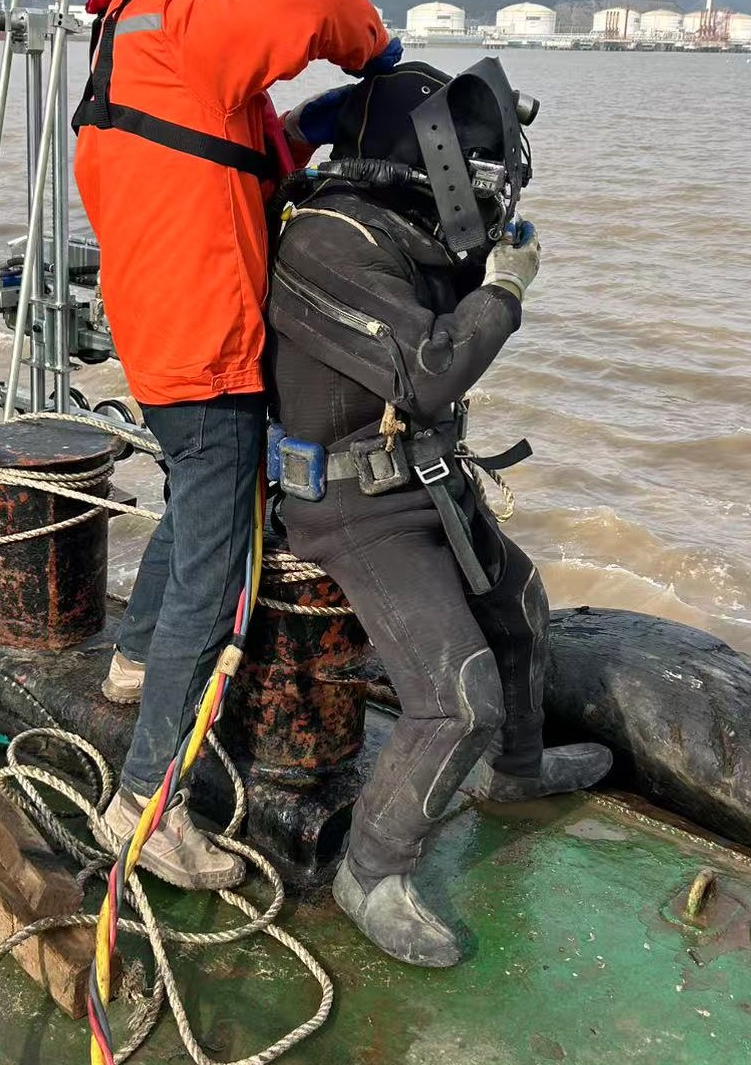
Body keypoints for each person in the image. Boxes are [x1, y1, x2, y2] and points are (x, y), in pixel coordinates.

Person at [72, 0, 398, 890]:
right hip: (204, 353)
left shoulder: (141, 46)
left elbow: (245, 154)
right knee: (217, 571)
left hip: (163, 342)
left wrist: (310, 131)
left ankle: (130, 659)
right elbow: (314, 4)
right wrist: (380, 56)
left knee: (195, 505)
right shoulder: (179, 24)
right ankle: (143, 803)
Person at [266, 60, 612, 966]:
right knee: (458, 696)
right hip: (349, 504)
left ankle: (517, 774)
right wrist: (503, 291)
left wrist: (481, 266)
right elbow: (428, 375)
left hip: (418, 481)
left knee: (523, 610)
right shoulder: (326, 242)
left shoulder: (398, 229)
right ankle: (371, 870)